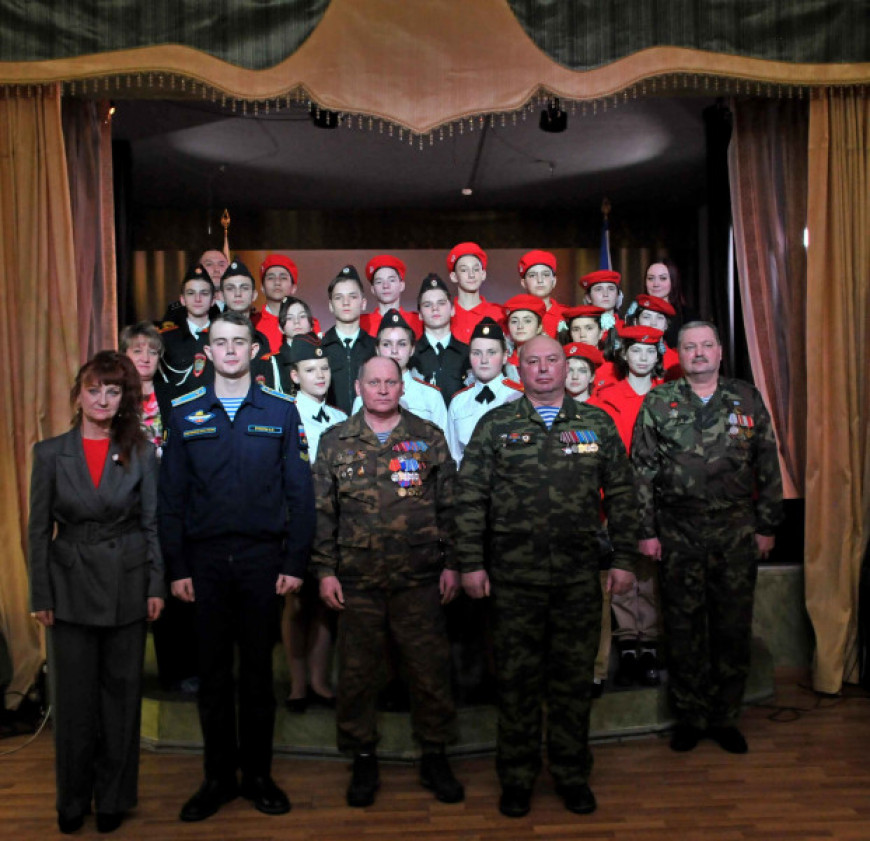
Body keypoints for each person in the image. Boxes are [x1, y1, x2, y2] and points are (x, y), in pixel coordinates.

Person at [455, 334, 638, 818]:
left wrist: (624, 559)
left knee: (573, 683)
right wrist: (470, 562)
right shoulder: (496, 425)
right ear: (519, 368)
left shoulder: (596, 423)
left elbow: (622, 494)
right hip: (513, 580)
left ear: (565, 366)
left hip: (577, 578)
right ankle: (517, 779)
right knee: (516, 684)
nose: (542, 369)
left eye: (551, 360)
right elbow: (470, 498)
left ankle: (571, 775)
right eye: (532, 361)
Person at [158, 310, 315, 822]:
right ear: (207, 353)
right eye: (220, 342)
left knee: (257, 676)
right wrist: (176, 567)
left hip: (261, 561)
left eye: (238, 342)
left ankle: (258, 776)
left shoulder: (281, 410)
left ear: (253, 350)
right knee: (212, 675)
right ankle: (218, 778)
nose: (229, 350)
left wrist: (295, 560)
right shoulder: (183, 412)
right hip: (203, 563)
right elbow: (171, 498)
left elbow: (300, 493)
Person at [312, 356, 464, 808]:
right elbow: (322, 513)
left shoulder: (428, 437)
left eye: (390, 382)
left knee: (429, 669)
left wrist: (454, 564)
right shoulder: (335, 440)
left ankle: (435, 755)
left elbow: (450, 508)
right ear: (358, 387)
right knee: (357, 673)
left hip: (419, 576)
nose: (382, 389)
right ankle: (362, 756)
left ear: (402, 387)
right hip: (356, 579)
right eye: (374, 382)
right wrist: (324, 571)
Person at [631, 321, 784, 754]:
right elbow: (640, 470)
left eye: (706, 345)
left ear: (719, 351)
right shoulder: (658, 401)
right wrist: (646, 531)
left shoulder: (746, 398)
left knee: (731, 626)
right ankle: (690, 717)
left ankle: (725, 717)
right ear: (678, 355)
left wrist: (768, 525)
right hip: (677, 530)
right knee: (683, 627)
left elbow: (767, 463)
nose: (698, 353)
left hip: (735, 530)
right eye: (689, 347)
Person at [28, 351, 164, 835]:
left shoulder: (141, 451)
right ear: (78, 394)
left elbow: (152, 524)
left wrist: (156, 584)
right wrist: (40, 594)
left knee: (121, 701)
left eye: (113, 391)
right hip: (68, 589)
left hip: (128, 584)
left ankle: (113, 798)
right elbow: (37, 530)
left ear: (124, 398)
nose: (102, 400)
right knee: (73, 704)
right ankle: (71, 800)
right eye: (94, 389)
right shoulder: (49, 453)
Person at [121, 323, 199, 694]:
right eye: (137, 350)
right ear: (124, 355)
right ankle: (126, 676)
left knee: (173, 585)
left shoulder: (174, 396)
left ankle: (177, 671)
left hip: (170, 503)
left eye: (152, 352)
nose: (146, 358)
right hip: (126, 506)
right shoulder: (114, 398)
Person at [592, 326, 667, 687]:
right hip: (615, 498)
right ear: (624, 355)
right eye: (636, 351)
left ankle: (649, 645)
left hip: (657, 500)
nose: (642, 358)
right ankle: (627, 647)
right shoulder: (605, 397)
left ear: (658, 356)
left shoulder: (668, 395)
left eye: (649, 351)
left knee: (649, 576)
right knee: (621, 574)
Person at [279, 332, 347, 713]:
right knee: (296, 603)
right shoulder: (284, 414)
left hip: (333, 522)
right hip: (296, 521)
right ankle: (297, 683)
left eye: (324, 369)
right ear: (295, 376)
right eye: (310, 370)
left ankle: (320, 681)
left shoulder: (341, 418)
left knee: (325, 602)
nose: (320, 376)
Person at [351, 309, 448, 430]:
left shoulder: (431, 396)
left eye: (401, 344)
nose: (394, 351)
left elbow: (444, 440)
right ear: (377, 349)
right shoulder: (363, 398)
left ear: (412, 349)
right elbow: (353, 439)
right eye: (386, 344)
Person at [445, 317, 522, 466]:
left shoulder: (519, 397)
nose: (484, 360)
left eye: (491, 352)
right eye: (477, 353)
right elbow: (453, 456)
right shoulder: (459, 401)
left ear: (505, 356)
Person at [321, 265, 377, 414]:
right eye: (338, 297)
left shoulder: (375, 348)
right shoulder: (320, 348)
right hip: (330, 424)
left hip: (369, 423)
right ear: (330, 305)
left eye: (352, 296)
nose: (346, 302)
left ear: (363, 303)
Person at [410, 273, 470, 406]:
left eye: (441, 303)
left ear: (452, 310)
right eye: (427, 305)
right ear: (420, 314)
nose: (435, 308)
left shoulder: (468, 354)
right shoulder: (410, 355)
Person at [159, 264, 215, 398]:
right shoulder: (166, 339)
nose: (197, 299)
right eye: (191, 293)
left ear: (213, 300)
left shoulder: (224, 337)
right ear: (182, 300)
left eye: (204, 293)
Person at [253, 254, 322, 354]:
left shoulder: (308, 323)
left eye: (283, 278)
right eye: (271, 278)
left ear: (293, 288)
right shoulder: (254, 323)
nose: (277, 282)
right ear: (262, 288)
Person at [446, 242, 504, 344]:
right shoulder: (444, 315)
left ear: (483, 274)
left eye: (476, 269)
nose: (471, 275)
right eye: (464, 270)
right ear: (454, 277)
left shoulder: (500, 314)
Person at [359, 254, 423, 339]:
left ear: (402, 285)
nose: (386, 286)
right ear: (373, 289)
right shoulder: (361, 323)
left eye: (392, 280)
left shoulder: (418, 322)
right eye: (379, 282)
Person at [643, 259, 698, 349]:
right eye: (650, 278)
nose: (656, 284)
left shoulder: (688, 316)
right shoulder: (636, 313)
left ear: (673, 281)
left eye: (663, 278)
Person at [517, 249, 567, 339]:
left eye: (546, 275)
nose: (540, 280)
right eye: (532, 275)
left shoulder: (566, 315)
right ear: (523, 283)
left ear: (554, 281)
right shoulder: (514, 317)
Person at [501, 294, 546, 380]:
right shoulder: (501, 364)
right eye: (514, 321)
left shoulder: (550, 362)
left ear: (539, 327)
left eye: (527, 321)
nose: (520, 326)